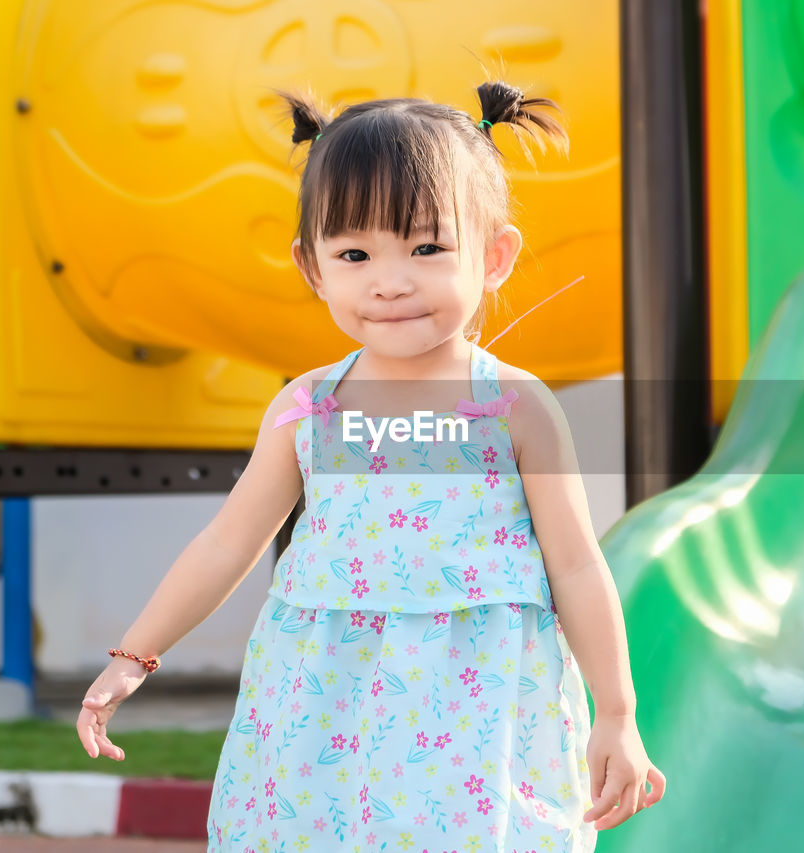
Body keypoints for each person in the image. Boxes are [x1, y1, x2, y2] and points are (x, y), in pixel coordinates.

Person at [76, 80, 665, 851]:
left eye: (426, 247)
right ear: (313, 267)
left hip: (475, 713)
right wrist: (136, 652)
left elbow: (578, 566)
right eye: (354, 253)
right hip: (324, 702)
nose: (389, 279)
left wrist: (616, 713)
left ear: (493, 255)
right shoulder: (306, 407)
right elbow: (229, 541)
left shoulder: (515, 408)